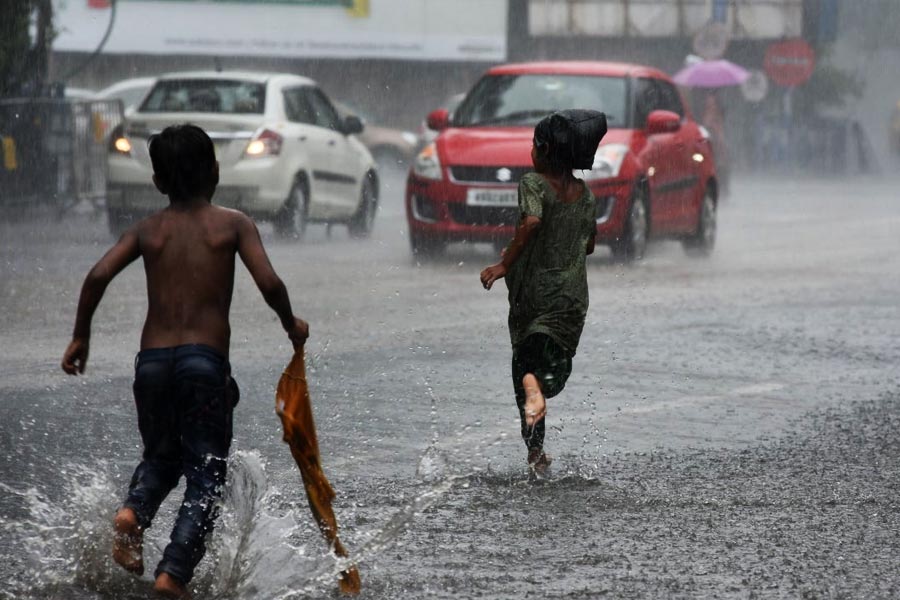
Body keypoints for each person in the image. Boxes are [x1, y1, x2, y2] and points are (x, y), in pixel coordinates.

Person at [61, 124, 308, 598]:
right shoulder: (233, 224)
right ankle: (173, 574)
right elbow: (270, 283)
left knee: (160, 456)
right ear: (216, 171)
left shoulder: (147, 230)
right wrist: (290, 322)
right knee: (206, 474)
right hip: (204, 365)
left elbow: (96, 276)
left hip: (151, 363)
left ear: (157, 182)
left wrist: (80, 337)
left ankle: (133, 513)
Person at [480, 110, 603, 475]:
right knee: (555, 364)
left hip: (535, 295)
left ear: (545, 149)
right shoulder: (585, 196)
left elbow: (532, 220)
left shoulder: (533, 184)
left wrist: (504, 265)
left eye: (533, 145)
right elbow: (590, 245)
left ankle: (535, 451)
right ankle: (539, 400)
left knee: (524, 368)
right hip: (570, 299)